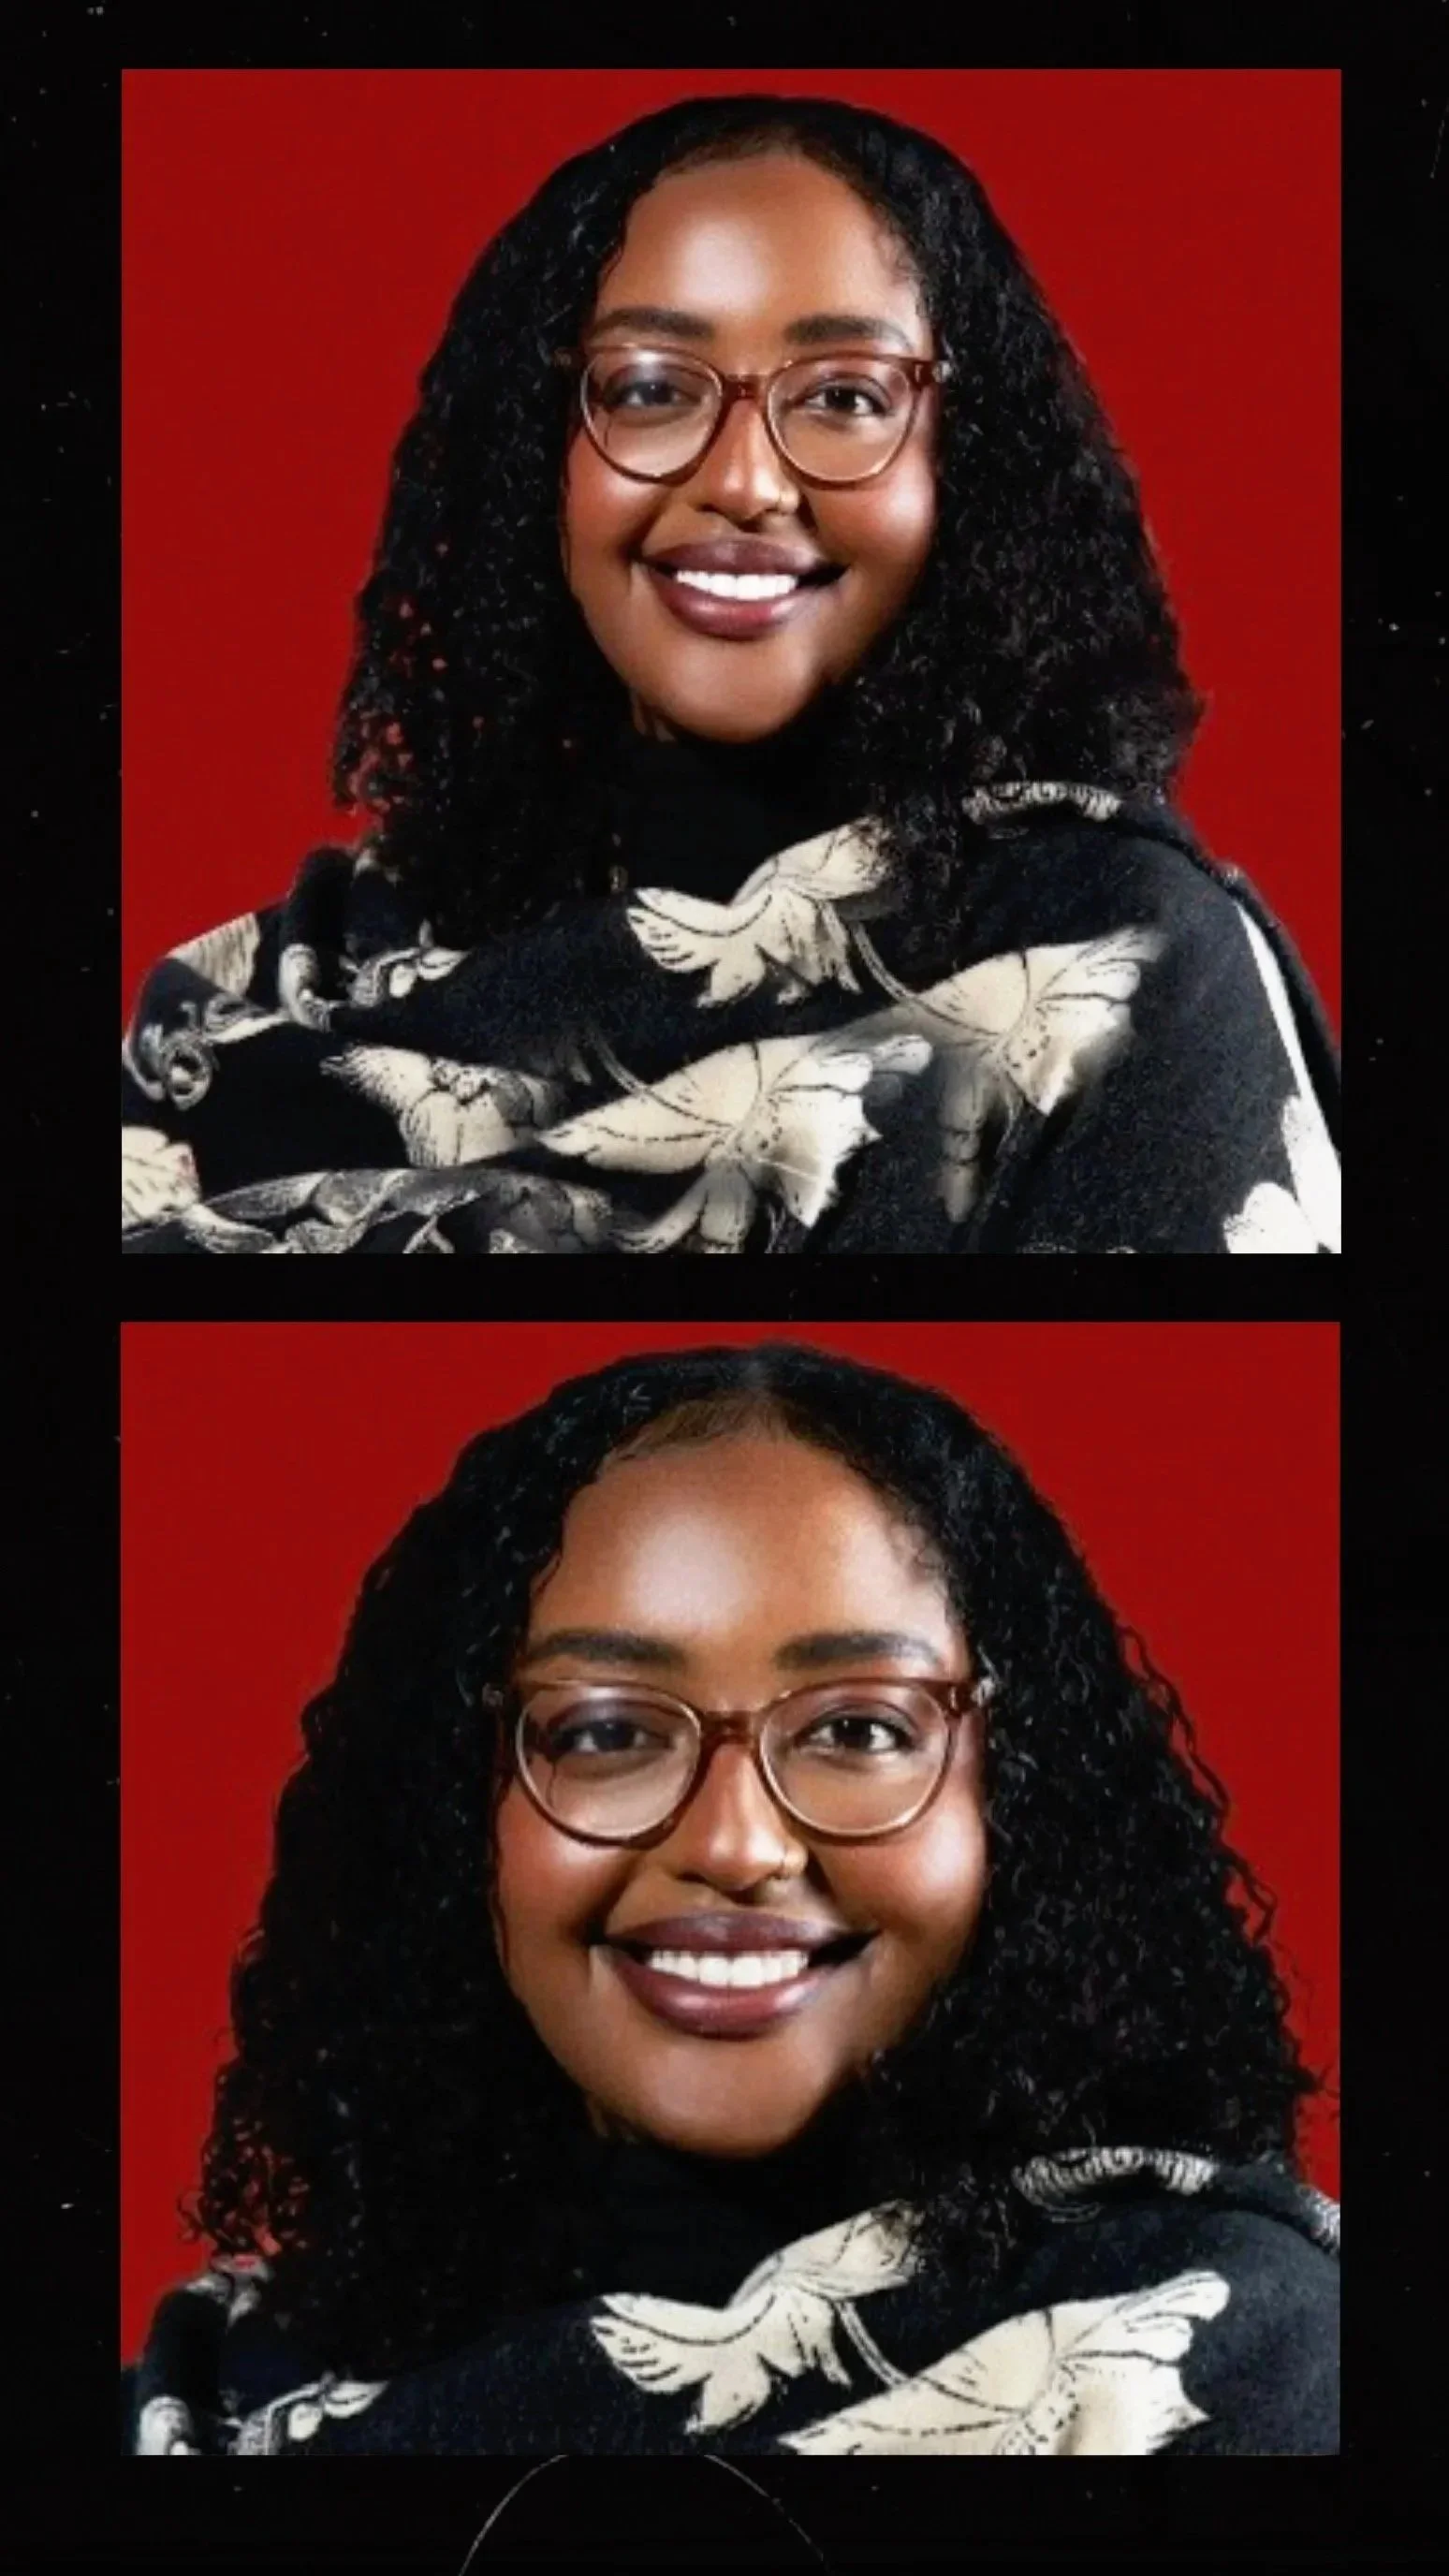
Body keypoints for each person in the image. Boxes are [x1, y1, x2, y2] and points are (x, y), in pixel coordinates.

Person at [121, 93, 1339, 1253]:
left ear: (959, 467)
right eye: (650, 389)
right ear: (543, 457)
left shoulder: (1123, 963)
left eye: (848, 396)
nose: (747, 480)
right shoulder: (249, 1011)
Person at [124, 1342, 1338, 2453]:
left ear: (1020, 1792)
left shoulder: (1247, 2349)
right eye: (603, 1733)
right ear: (456, 1810)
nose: (736, 1841)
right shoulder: (220, 2393)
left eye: (860, 1727)